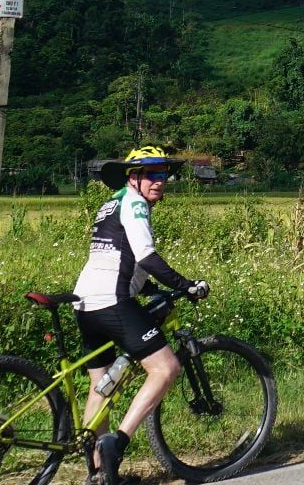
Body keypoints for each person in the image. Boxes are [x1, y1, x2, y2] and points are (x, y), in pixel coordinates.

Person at [73, 146, 208, 485]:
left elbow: (118, 257)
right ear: (133, 177)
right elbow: (145, 256)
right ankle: (117, 444)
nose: (159, 182)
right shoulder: (134, 204)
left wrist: (147, 289)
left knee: (102, 387)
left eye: (164, 175)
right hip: (111, 300)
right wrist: (186, 285)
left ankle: (100, 473)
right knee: (166, 367)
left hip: (85, 300)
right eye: (151, 174)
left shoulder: (112, 203)